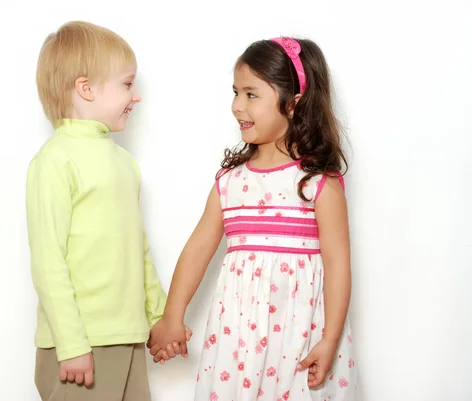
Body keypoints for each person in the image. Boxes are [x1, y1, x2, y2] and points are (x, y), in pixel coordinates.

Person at [147, 37, 359, 400]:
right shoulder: (231, 182)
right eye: (235, 92)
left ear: (293, 104)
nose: (236, 106)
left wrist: (329, 339)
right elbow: (199, 247)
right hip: (237, 341)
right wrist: (172, 316)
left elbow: (338, 264)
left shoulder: (317, 183)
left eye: (250, 94)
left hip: (299, 337)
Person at [25, 20, 188, 401]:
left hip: (126, 337)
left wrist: (159, 318)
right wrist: (71, 345)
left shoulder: (123, 162)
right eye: (128, 84)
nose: (136, 97)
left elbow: (137, 250)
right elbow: (48, 260)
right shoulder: (55, 160)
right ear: (86, 88)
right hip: (81, 344)